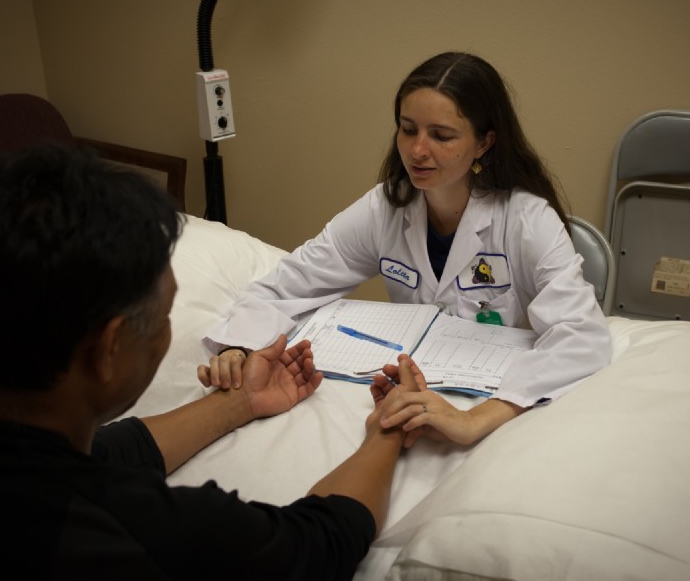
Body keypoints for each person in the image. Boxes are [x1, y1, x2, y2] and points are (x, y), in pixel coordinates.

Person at [0, 143, 421, 579]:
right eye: (164, 314)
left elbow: (104, 452)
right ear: (108, 350)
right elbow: (320, 541)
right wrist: (389, 427)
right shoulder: (136, 531)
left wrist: (237, 404)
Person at [201, 51, 612, 448]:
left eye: (441, 135)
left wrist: (477, 419)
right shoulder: (386, 207)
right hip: (403, 398)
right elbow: (288, 285)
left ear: (484, 143)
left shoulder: (526, 219)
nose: (417, 150)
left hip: (503, 403)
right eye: (408, 128)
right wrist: (238, 346)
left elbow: (582, 336)